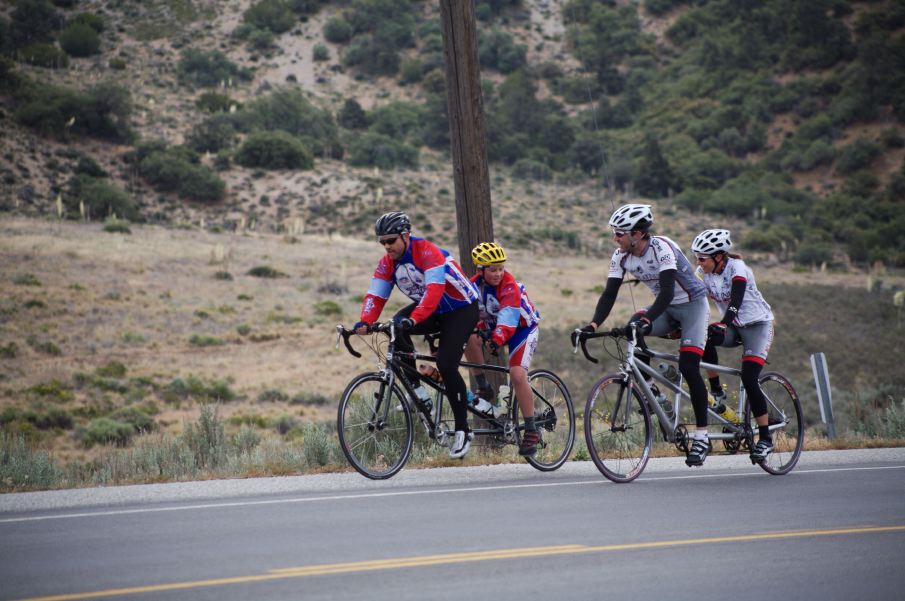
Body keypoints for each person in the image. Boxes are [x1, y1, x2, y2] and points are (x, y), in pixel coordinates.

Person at [572, 204, 713, 467]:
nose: (615, 238)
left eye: (619, 234)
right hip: (667, 309)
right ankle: (650, 392)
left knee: (689, 366)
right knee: (633, 326)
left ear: (637, 234)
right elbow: (609, 294)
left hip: (692, 306)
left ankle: (702, 437)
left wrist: (648, 318)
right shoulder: (620, 256)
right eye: (615, 233)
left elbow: (668, 291)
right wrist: (591, 325)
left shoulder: (662, 247)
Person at [354, 211, 480, 459]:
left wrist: (415, 318)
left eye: (391, 240)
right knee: (395, 326)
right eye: (382, 242)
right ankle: (419, 394)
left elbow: (433, 293)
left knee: (446, 364)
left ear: (405, 235)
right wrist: (365, 322)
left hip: (461, 308)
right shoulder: (387, 263)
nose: (386, 246)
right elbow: (376, 296)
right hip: (432, 309)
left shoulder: (428, 252)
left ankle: (463, 431)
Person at [692, 229, 776, 464]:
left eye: (702, 258)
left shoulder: (737, 268)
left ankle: (766, 438)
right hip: (734, 326)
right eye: (697, 257)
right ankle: (717, 390)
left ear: (719, 256)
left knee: (749, 379)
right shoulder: (702, 272)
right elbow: (691, 296)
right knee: (704, 336)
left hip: (758, 326)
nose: (698, 262)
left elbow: (736, 300)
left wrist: (724, 323)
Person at [462, 242, 542, 456]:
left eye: (501, 268)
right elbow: (464, 314)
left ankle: (532, 430)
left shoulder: (509, 285)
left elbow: (508, 318)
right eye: (492, 269)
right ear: (480, 270)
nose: (498, 273)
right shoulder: (472, 286)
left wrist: (496, 339)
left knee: (517, 375)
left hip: (522, 330)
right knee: (468, 338)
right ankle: (482, 384)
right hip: (494, 328)